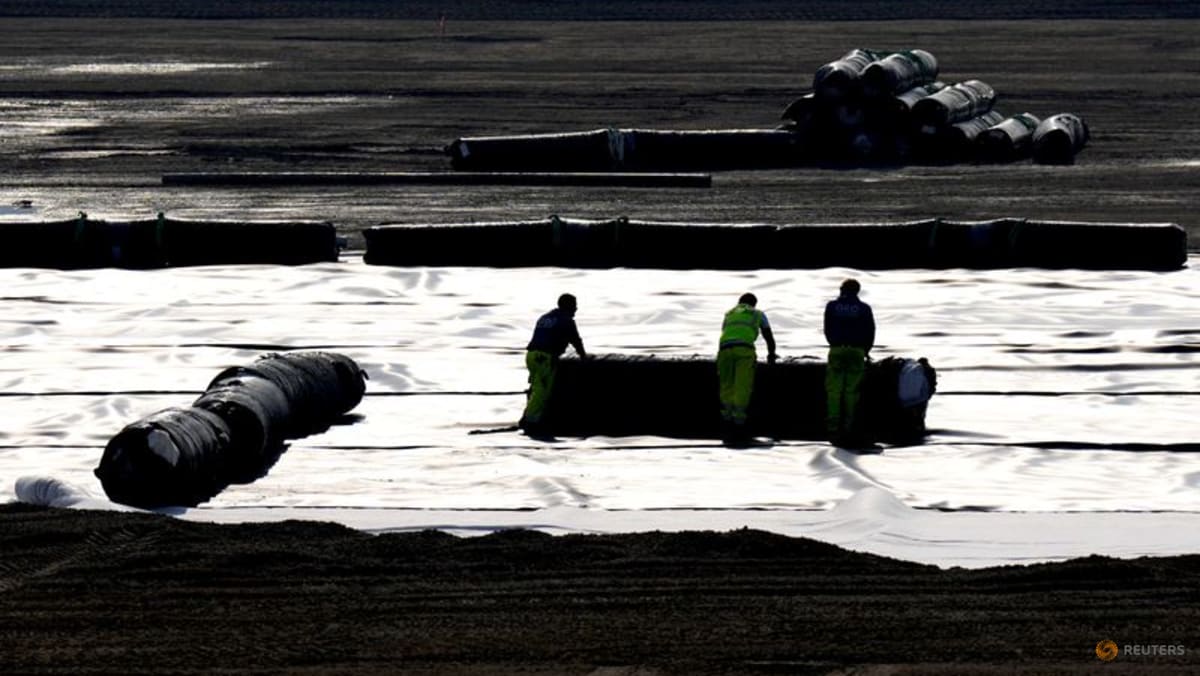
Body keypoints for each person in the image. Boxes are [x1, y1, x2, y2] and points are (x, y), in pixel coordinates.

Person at [519, 293, 587, 434]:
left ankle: (529, 416)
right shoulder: (566, 320)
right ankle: (531, 422)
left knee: (536, 386)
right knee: (542, 391)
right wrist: (584, 359)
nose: (576, 308)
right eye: (574, 305)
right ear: (568, 306)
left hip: (531, 356)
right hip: (544, 357)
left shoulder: (545, 317)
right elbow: (576, 340)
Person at [717, 292, 777, 442]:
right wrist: (771, 354)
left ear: (739, 302)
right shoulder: (757, 314)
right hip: (744, 350)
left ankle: (726, 421)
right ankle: (739, 424)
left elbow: (725, 332)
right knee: (742, 386)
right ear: (754, 304)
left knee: (726, 385)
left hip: (724, 350)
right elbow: (768, 336)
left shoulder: (729, 313)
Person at [823, 278, 876, 445]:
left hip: (837, 348)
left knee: (834, 388)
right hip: (857, 350)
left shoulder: (831, 306)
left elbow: (827, 328)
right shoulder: (864, 308)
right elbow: (871, 330)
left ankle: (832, 425)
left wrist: (833, 343)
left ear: (842, 289)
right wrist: (866, 350)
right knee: (851, 389)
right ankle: (848, 425)